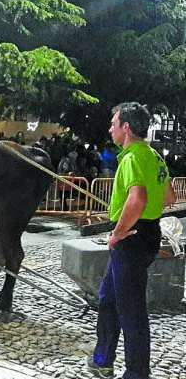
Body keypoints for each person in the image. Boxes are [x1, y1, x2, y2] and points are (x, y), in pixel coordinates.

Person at [87, 102, 176, 379]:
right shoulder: (154, 156)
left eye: (114, 123)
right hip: (147, 233)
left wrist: (118, 233)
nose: (110, 128)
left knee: (131, 310)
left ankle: (137, 373)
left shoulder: (132, 157)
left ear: (126, 127)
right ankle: (102, 358)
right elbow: (169, 198)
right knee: (108, 299)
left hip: (131, 238)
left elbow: (138, 198)